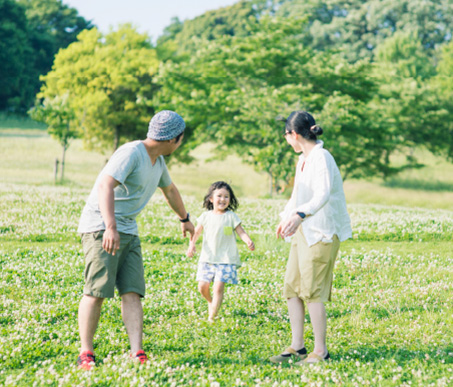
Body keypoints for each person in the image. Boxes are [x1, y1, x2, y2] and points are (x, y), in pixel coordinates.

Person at [76, 110, 195, 370]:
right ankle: (85, 352)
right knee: (97, 291)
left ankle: (136, 351)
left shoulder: (158, 162)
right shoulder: (131, 153)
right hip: (101, 227)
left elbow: (170, 190)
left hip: (128, 229)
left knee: (132, 291)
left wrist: (184, 218)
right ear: (175, 138)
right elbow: (105, 185)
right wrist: (110, 227)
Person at [270, 111, 352, 365]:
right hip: (304, 230)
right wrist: (287, 217)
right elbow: (297, 196)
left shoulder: (321, 157)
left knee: (313, 291)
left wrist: (300, 215)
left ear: (293, 134)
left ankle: (321, 351)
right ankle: (298, 347)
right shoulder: (303, 160)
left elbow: (322, 194)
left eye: (286, 136)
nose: (287, 141)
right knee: (292, 288)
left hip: (322, 232)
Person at [186, 181, 255, 322]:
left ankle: (212, 316)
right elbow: (196, 232)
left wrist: (247, 240)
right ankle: (211, 302)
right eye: (219, 196)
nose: (223, 199)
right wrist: (191, 245)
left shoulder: (231, 216)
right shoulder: (205, 216)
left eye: (226, 197)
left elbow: (240, 232)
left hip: (225, 259)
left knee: (218, 287)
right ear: (211, 199)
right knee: (202, 287)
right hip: (207, 257)